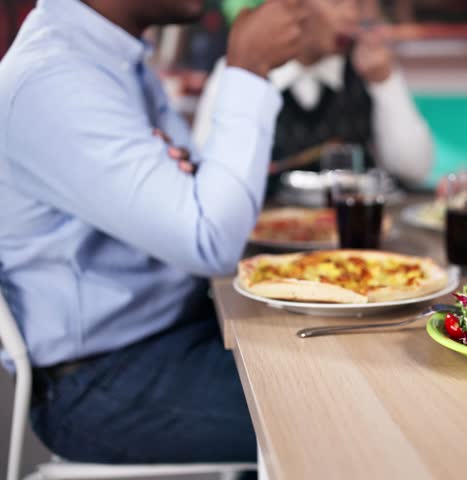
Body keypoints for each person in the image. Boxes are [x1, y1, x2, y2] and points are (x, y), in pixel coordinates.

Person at [0, 0, 304, 463]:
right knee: (345, 406)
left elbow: (197, 188)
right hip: (103, 382)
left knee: (351, 364)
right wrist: (249, 67)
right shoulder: (54, 78)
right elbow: (209, 237)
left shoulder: (108, 57)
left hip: (169, 336)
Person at [195, 0, 434, 201]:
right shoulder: (242, 69)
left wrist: (384, 82)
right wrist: (250, 76)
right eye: (336, 2)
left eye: (358, 4)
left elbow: (413, 170)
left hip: (354, 243)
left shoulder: (369, 67)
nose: (351, 15)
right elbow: (209, 178)